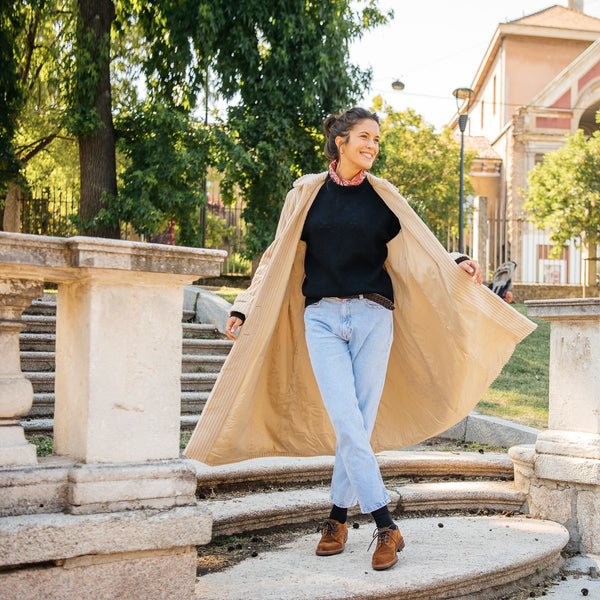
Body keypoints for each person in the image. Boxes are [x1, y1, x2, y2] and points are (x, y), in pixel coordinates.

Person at [185, 108, 534, 572]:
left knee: (357, 427)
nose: (373, 145)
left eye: (376, 139)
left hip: (374, 315)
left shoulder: (382, 195)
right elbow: (274, 254)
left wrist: (455, 260)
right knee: (347, 421)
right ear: (341, 141)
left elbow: (420, 246)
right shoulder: (306, 193)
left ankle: (336, 519)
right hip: (321, 318)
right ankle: (386, 525)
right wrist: (244, 304)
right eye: (364, 137)